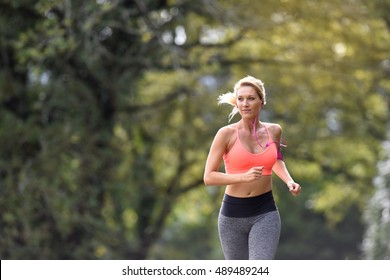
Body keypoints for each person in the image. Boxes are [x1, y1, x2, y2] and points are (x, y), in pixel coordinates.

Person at [203, 75, 301, 260]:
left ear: (262, 101)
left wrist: (289, 181)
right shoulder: (226, 134)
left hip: (265, 212)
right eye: (240, 99)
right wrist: (243, 177)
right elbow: (209, 177)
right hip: (232, 216)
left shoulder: (274, 130)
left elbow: (276, 159)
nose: (245, 104)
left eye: (251, 98)